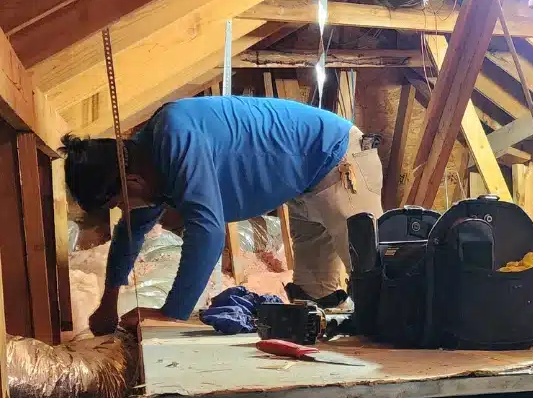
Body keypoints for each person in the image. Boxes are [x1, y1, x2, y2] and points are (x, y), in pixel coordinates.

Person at [62, 95, 384, 334]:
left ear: (131, 181)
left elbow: (208, 232)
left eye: (119, 204)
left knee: (380, 294)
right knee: (317, 305)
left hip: (340, 164)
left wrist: (171, 314)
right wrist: (108, 301)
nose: (124, 211)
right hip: (305, 188)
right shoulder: (147, 160)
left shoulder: (176, 137)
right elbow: (129, 233)